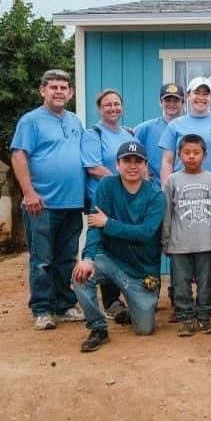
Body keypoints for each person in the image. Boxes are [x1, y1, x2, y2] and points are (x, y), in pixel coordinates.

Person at [10, 69, 86, 331]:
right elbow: (19, 156)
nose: (58, 92)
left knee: (67, 257)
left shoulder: (75, 121)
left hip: (72, 203)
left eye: (63, 88)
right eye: (53, 87)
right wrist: (29, 193)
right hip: (41, 205)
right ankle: (42, 309)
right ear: (42, 90)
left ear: (71, 92)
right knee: (42, 259)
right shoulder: (31, 121)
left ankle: (64, 305)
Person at [72, 141, 166, 352]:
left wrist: (109, 224)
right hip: (110, 260)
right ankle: (98, 328)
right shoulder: (106, 186)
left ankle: (133, 311)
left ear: (146, 165)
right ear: (117, 164)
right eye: (126, 160)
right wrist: (88, 258)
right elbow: (95, 226)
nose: (132, 166)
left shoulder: (156, 195)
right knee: (80, 275)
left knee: (144, 329)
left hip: (142, 272)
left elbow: (145, 233)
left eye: (138, 161)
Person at [81, 88, 135, 319]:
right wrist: (121, 180)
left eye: (116, 104)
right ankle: (111, 301)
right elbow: (93, 167)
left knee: (123, 245)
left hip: (124, 199)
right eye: (107, 105)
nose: (113, 108)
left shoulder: (128, 134)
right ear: (99, 108)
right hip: (103, 200)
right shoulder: (93, 134)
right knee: (106, 247)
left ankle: (127, 295)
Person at [162, 134, 211, 337]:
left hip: (206, 243)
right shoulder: (172, 180)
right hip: (179, 244)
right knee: (181, 285)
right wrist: (166, 240)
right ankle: (186, 319)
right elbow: (167, 213)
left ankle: (204, 318)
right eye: (186, 152)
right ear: (179, 154)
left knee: (206, 284)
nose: (191, 156)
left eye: (196, 152)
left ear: (205, 155)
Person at [160, 77, 211, 199]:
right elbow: (167, 162)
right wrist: (165, 194)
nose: (201, 98)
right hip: (182, 194)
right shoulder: (174, 125)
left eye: (206, 94)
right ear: (188, 96)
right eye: (196, 93)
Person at [134, 82, 184, 181]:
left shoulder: (188, 127)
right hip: (153, 188)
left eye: (176, 100)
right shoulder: (146, 128)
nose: (171, 104)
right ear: (160, 102)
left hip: (182, 187)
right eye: (167, 100)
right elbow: (130, 150)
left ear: (183, 102)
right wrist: (143, 171)